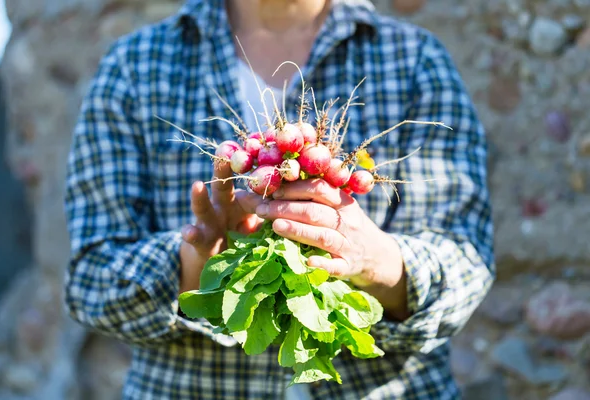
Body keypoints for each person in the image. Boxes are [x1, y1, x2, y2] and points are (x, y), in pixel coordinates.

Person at [63, 0, 495, 398]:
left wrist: (370, 259)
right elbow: (91, 280)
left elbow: (467, 264)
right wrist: (195, 265)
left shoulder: (413, 59)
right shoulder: (137, 65)